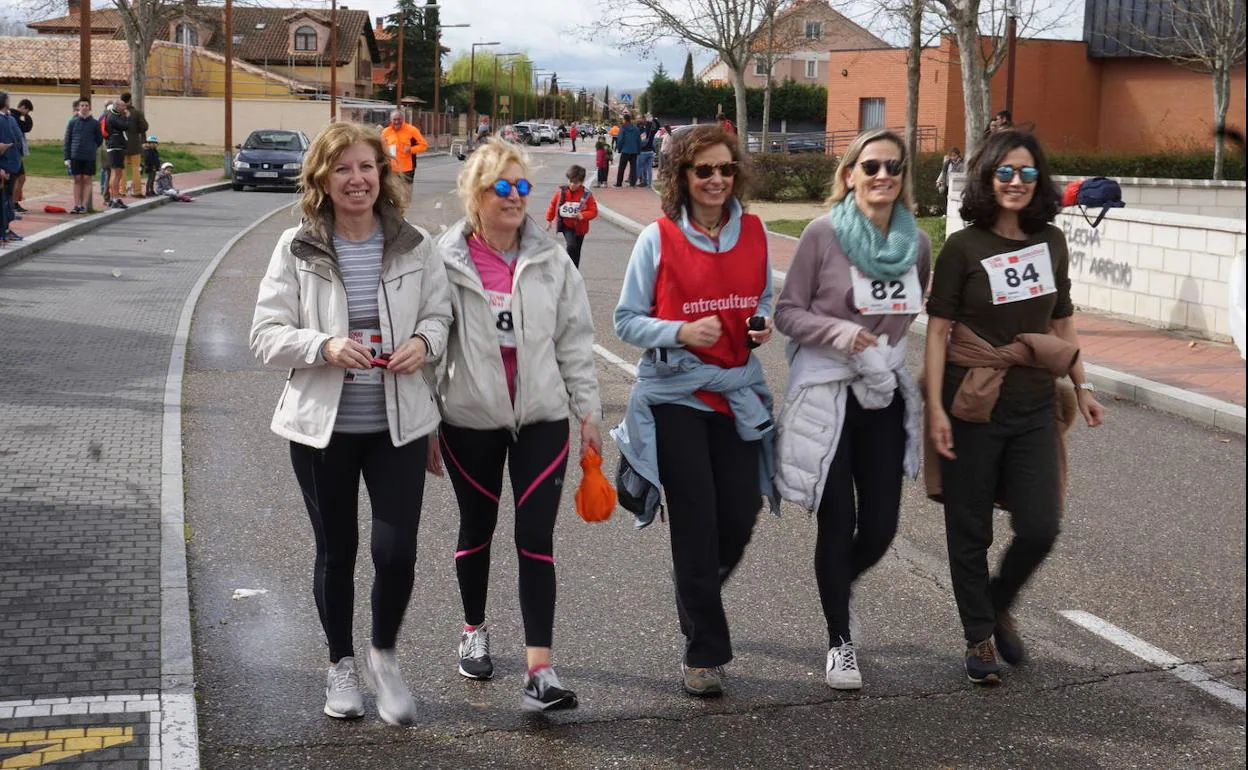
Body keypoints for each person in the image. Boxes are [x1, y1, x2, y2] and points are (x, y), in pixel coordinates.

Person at [248, 120, 453, 726]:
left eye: (366, 167)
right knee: (337, 551)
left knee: (396, 554)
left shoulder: (416, 243)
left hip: (400, 426)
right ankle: (340, 664)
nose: (356, 179)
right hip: (322, 431)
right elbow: (265, 336)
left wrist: (423, 340)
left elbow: (440, 317)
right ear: (322, 179)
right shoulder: (295, 247)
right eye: (342, 169)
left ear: (383, 174)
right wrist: (324, 346)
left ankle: (383, 656)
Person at [924, 129, 1104, 686]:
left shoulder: (1051, 240)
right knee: (969, 525)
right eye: (1005, 172)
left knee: (1041, 525)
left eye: (1028, 173)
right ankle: (978, 634)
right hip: (971, 402)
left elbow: (1061, 318)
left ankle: (998, 599)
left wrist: (1084, 383)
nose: (1017, 183)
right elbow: (937, 333)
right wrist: (934, 407)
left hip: (1033, 402)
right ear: (986, 177)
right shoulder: (962, 247)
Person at [430, 137, 601, 712]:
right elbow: (430, 346)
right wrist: (426, 422)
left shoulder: (552, 259)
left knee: (536, 534)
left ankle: (539, 671)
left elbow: (575, 341)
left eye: (522, 186)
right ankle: (473, 628)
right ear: (475, 195)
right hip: (469, 419)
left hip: (541, 418)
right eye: (501, 186)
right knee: (477, 528)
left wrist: (589, 415)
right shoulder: (444, 260)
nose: (514, 196)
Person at [613, 123, 778, 698]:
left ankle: (696, 585)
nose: (715, 180)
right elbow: (626, 319)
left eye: (725, 170)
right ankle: (704, 653)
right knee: (697, 519)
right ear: (682, 175)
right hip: (673, 396)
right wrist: (679, 331)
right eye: (703, 170)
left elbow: (761, 298)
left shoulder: (755, 233)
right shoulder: (657, 238)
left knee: (739, 516)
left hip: (735, 392)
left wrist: (761, 323)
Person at [773, 129, 930, 691]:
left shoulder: (920, 245)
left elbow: (911, 312)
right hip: (826, 392)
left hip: (880, 394)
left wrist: (882, 356)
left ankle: (839, 583)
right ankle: (840, 640)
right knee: (837, 518)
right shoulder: (822, 235)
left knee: (882, 525)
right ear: (849, 175)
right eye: (870, 167)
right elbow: (787, 312)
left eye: (892, 166)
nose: (882, 175)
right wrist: (840, 333)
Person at [544, 164, 598, 268]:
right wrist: (549, 219)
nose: (572, 184)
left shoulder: (586, 195)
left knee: (577, 251)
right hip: (567, 225)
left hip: (581, 228)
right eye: (570, 181)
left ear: (581, 182)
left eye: (576, 182)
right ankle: (566, 266)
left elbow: (594, 211)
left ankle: (574, 270)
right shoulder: (561, 192)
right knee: (571, 246)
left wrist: (583, 215)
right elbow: (553, 204)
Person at [63, 99, 102, 215]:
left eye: (86, 105)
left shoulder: (95, 123)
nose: (84, 107)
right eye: (82, 105)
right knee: (77, 179)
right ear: (78, 108)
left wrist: (92, 147)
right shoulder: (73, 122)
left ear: (89, 108)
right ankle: (76, 205)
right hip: (75, 155)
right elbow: (67, 140)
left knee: (86, 179)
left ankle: (84, 205)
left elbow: (99, 139)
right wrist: (67, 157)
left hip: (89, 156)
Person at [380, 109, 428, 187]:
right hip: (392, 168)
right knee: (394, 192)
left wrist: (411, 149)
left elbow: (424, 145)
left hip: (407, 168)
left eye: (399, 119)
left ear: (403, 119)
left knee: (406, 192)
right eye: (394, 120)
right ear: (391, 120)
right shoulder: (385, 132)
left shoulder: (412, 130)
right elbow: (381, 147)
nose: (396, 122)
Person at [100, 99, 130, 209]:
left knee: (117, 173)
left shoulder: (114, 115)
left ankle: (115, 198)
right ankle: (114, 199)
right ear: (117, 106)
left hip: (116, 146)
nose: (125, 108)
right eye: (123, 106)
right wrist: (127, 116)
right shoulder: (112, 117)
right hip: (115, 146)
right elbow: (125, 126)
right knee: (116, 173)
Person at [0, 92, 21, 243]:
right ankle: (3, 229)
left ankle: (6, 227)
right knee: (5, 198)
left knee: (8, 197)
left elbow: (17, 138)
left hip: (13, 163)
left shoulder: (10, 118)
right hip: (4, 164)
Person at [119, 92, 148, 197]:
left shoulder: (118, 113)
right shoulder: (137, 113)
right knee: (136, 169)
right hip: (135, 145)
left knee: (122, 169)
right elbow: (144, 127)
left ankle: (122, 191)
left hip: (121, 145)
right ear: (130, 100)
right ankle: (137, 191)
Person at [12, 99, 32, 214]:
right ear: (23, 107)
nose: (27, 114)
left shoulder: (15, 116)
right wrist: (27, 117)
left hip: (17, 153)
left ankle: (14, 202)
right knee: (18, 179)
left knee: (21, 178)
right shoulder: (14, 117)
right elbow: (27, 127)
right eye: (27, 111)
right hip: (14, 153)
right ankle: (13, 203)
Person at [614, 114, 641, 187]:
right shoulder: (636, 129)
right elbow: (639, 140)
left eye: (623, 119)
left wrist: (619, 148)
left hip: (625, 150)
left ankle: (619, 183)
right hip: (634, 151)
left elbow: (620, 139)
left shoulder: (623, 128)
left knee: (621, 167)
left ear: (625, 120)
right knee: (633, 168)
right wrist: (638, 150)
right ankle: (633, 183)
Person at [637, 120, 656, 188]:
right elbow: (653, 143)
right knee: (649, 169)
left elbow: (643, 143)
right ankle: (649, 184)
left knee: (642, 168)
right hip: (651, 152)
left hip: (644, 152)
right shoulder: (652, 132)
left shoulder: (644, 133)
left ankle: (644, 181)